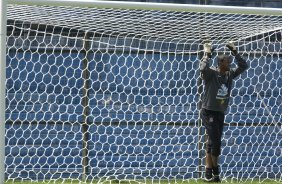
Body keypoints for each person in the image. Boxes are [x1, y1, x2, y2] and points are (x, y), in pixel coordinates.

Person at [199, 41, 248, 182]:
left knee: (212, 142)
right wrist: (207, 54)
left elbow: (244, 66)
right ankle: (216, 174)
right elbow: (202, 68)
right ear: (220, 63)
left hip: (220, 112)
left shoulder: (230, 74)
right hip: (209, 111)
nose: (230, 64)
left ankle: (208, 174)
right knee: (216, 143)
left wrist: (235, 52)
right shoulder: (211, 74)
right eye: (228, 62)